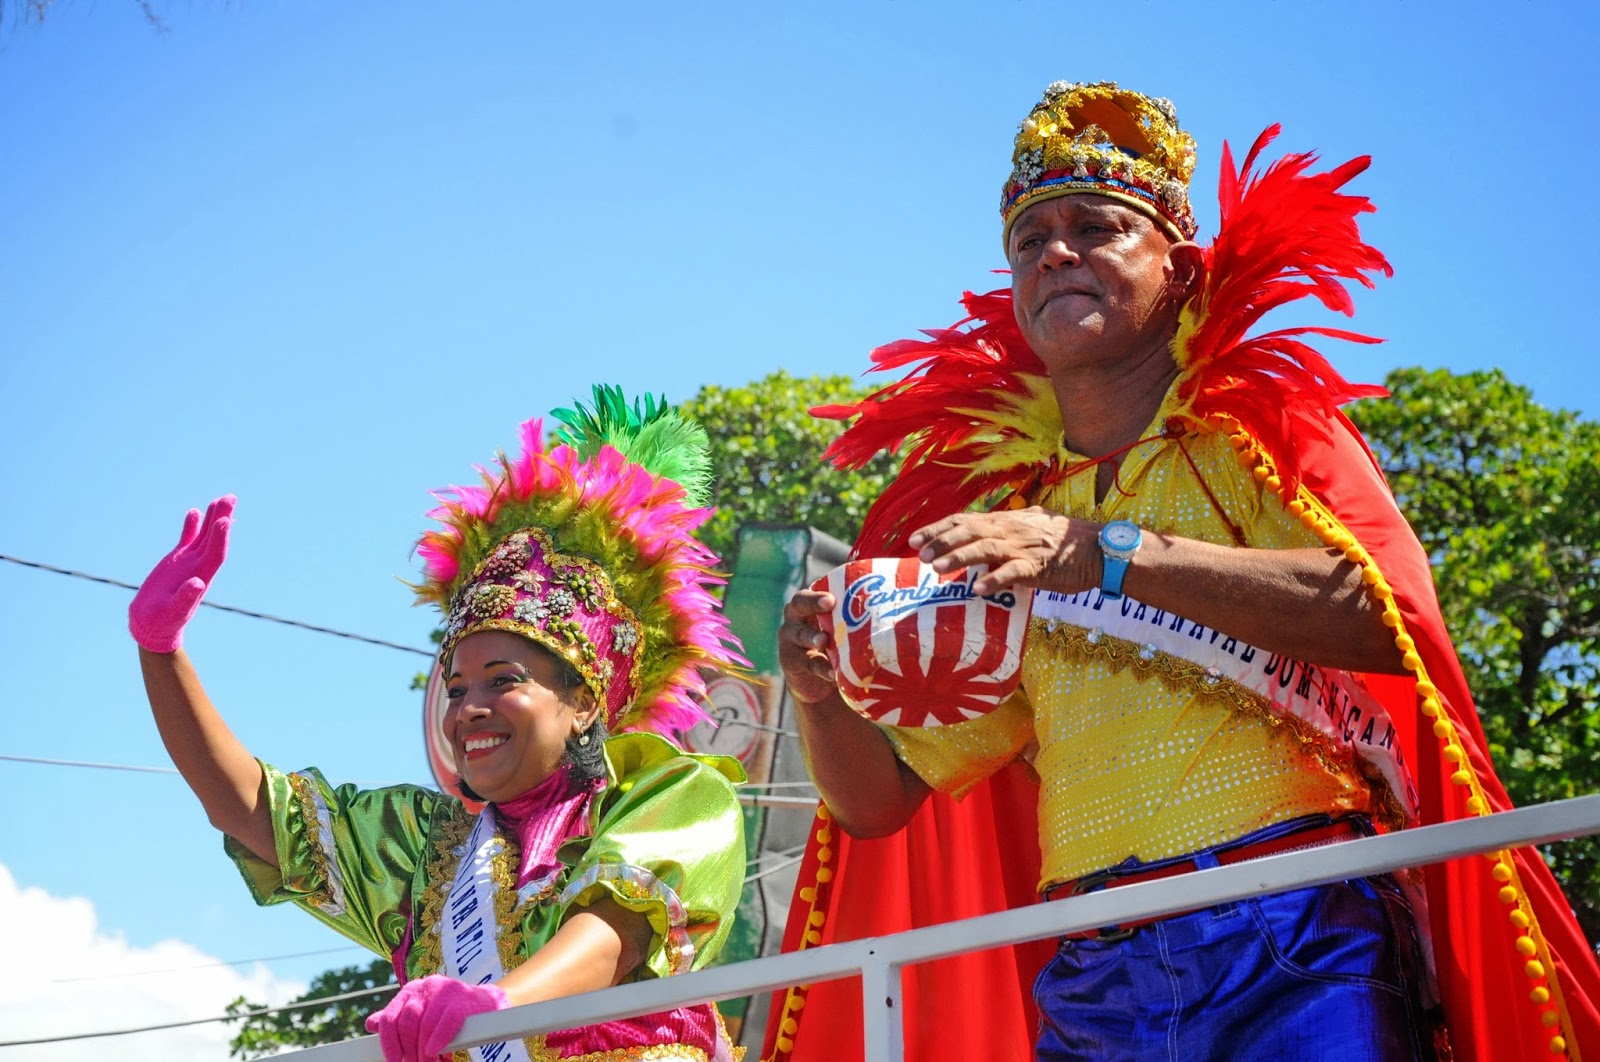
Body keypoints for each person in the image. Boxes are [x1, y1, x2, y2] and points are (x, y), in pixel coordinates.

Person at [769, 82, 1600, 1061]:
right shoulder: (1009, 519)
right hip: (1092, 971)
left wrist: (1098, 557)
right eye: (1029, 241)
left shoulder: (1257, 441)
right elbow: (882, 803)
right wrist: (819, 697)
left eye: (1096, 226)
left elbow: (1386, 614)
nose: (1055, 252)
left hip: (1299, 924)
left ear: (1182, 267)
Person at [131, 391, 750, 1062]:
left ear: (585, 706)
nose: (468, 709)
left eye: (504, 680)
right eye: (456, 689)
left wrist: (496, 1004)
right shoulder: (427, 849)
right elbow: (248, 808)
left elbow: (615, 933)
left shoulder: (672, 794)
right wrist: (161, 652)